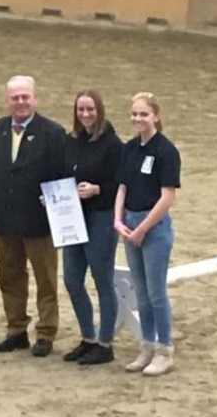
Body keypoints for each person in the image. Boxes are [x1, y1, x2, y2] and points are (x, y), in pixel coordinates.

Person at [0, 75, 66, 357]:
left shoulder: (53, 132)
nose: (21, 102)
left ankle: (46, 332)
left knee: (45, 280)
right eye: (15, 97)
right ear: (7, 101)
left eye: (25, 96)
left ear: (35, 98)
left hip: (40, 221)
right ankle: (16, 330)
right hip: (4, 219)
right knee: (10, 278)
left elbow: (62, 176)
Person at [114, 92, 181, 376]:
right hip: (130, 222)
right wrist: (118, 220)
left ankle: (165, 349)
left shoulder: (166, 151)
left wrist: (142, 228)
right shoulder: (130, 149)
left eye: (143, 114)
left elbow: (167, 197)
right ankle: (147, 344)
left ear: (155, 116)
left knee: (156, 292)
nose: (138, 119)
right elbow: (122, 187)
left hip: (153, 226)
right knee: (140, 292)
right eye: (134, 114)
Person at [62, 90, 123, 365]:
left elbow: (122, 185)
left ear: (99, 110)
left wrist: (98, 189)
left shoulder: (113, 145)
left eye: (90, 109)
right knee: (72, 279)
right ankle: (88, 337)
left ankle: (105, 342)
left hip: (101, 216)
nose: (85, 114)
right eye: (81, 109)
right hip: (73, 217)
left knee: (102, 279)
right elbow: (62, 174)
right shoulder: (71, 141)